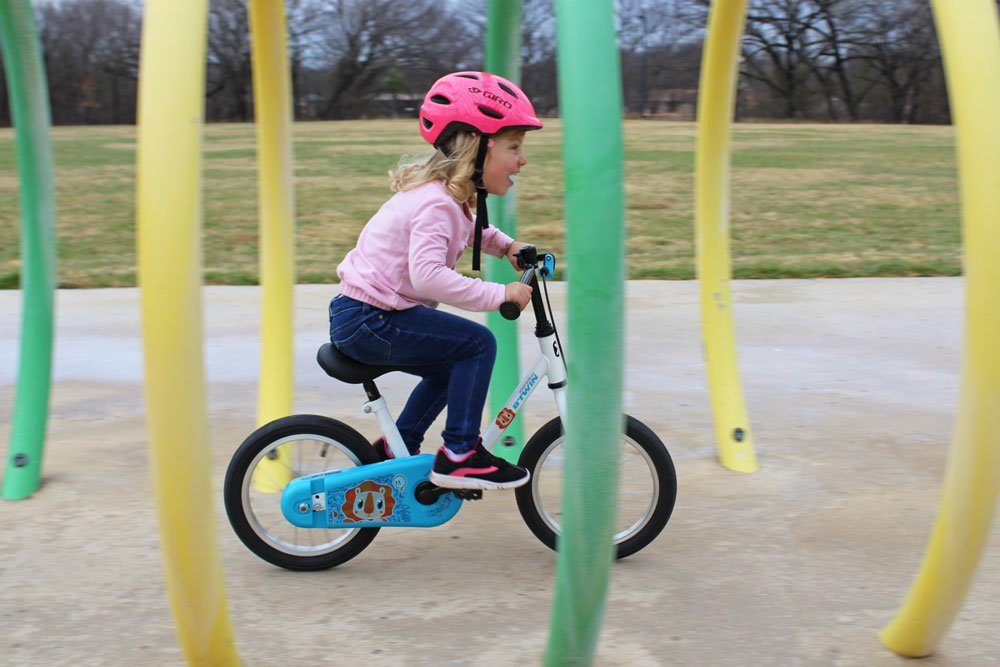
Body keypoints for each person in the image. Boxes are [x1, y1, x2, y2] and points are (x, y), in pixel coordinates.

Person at [329, 71, 543, 491]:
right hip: (370, 318)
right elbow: (427, 276)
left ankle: (398, 448)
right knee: (478, 344)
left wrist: (507, 246)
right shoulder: (437, 204)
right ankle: (460, 455)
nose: (523, 159)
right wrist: (500, 293)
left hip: (370, 314)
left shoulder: (450, 199)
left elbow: (472, 230)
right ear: (477, 148)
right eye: (514, 147)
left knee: (454, 365)